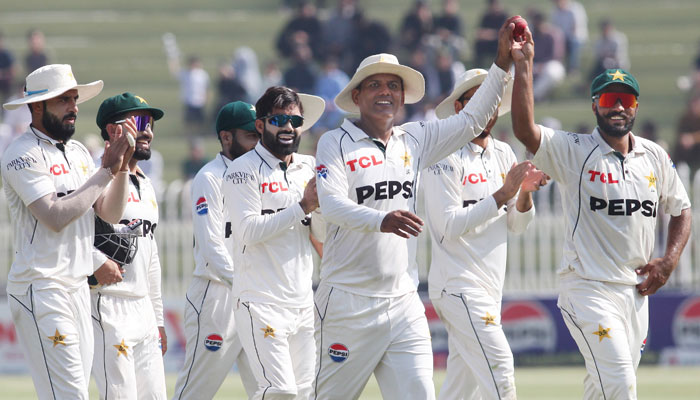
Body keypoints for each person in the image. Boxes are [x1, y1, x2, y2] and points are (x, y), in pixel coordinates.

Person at [313, 19, 520, 400]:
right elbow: (332, 206)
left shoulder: (416, 139)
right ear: (356, 96)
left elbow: (472, 118)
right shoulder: (334, 143)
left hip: (404, 302)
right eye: (374, 84)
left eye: (394, 85)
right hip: (346, 302)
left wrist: (501, 62)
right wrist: (382, 220)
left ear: (403, 97)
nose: (386, 92)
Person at [511, 28, 692, 399]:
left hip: (635, 292)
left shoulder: (655, 156)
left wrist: (669, 261)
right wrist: (525, 66)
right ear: (595, 104)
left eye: (627, 100)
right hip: (588, 289)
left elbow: (682, 209)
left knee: (602, 388)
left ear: (636, 107)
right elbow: (525, 131)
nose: (619, 107)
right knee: (621, 384)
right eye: (610, 98)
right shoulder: (573, 149)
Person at [1, 64, 134, 399]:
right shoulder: (21, 153)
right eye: (63, 100)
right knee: (71, 394)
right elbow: (54, 216)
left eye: (74, 99)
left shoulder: (77, 152)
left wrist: (120, 170)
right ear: (36, 106)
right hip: (41, 285)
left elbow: (109, 212)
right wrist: (105, 170)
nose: (73, 106)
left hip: (76, 287)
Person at [426, 69, 545, 400]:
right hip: (457, 285)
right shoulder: (443, 154)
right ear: (460, 107)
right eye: (477, 100)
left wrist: (524, 194)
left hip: (490, 287)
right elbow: (449, 226)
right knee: (500, 369)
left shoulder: (504, 153)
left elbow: (517, 225)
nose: (487, 109)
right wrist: (504, 193)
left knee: (461, 389)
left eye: (491, 101)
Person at [222, 87, 325, 400]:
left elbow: (319, 233)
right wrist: (303, 207)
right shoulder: (241, 170)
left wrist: (320, 210)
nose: (288, 127)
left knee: (306, 393)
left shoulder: (309, 167)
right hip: (260, 301)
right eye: (279, 119)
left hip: (302, 300)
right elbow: (248, 231)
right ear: (260, 125)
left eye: (295, 120)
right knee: (280, 391)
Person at [172, 101, 260, 400]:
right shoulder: (209, 178)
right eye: (250, 136)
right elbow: (212, 246)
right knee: (195, 392)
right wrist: (245, 283)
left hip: (256, 297)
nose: (257, 143)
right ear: (226, 137)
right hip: (217, 296)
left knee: (272, 389)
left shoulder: (259, 176)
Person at [91, 92, 168, 399]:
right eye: (139, 121)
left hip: (143, 309)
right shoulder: (95, 177)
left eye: (150, 122)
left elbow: (152, 256)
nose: (147, 130)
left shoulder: (147, 184)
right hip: (107, 302)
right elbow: (77, 238)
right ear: (113, 130)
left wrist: (159, 318)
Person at [550, 0, 588, 74]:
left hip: (576, 37)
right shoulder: (555, 12)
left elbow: (575, 27)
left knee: (573, 43)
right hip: (562, 37)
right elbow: (555, 28)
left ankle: (573, 68)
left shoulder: (575, 9)